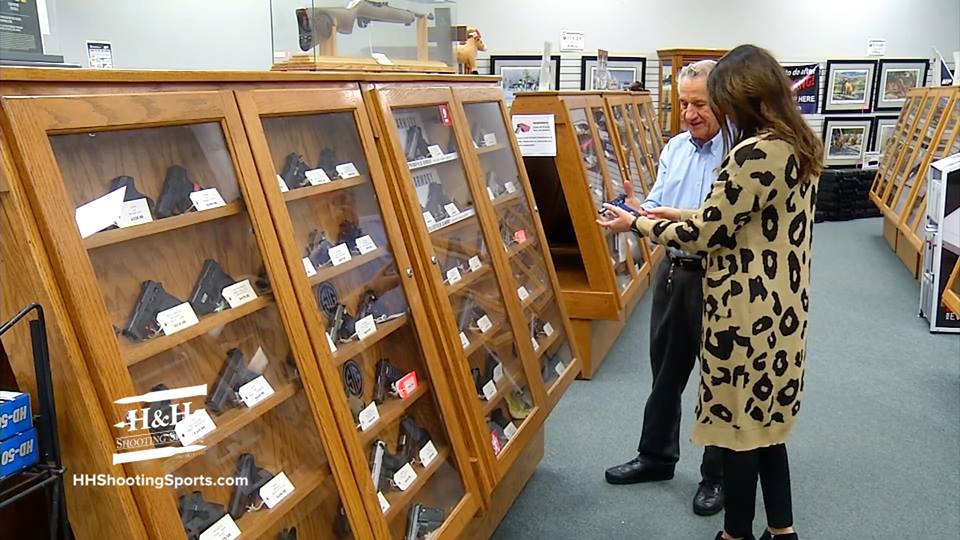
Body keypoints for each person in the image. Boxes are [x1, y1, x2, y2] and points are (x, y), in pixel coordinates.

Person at [598, 44, 821, 540]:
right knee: (762, 430)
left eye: (710, 100)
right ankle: (781, 531)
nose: (697, 112)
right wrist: (671, 214)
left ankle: (734, 534)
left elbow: (708, 232)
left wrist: (637, 222)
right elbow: (737, 219)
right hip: (778, 307)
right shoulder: (796, 145)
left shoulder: (752, 152)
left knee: (737, 429)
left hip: (743, 309)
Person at [603, 59, 725, 517]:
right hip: (674, 272)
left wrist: (652, 218)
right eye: (683, 103)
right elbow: (656, 204)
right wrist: (638, 209)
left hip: (721, 281)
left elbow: (716, 225)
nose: (690, 113)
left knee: (718, 381)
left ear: (723, 102)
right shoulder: (674, 147)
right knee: (666, 373)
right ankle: (656, 457)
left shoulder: (740, 154)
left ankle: (716, 477)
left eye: (700, 103)